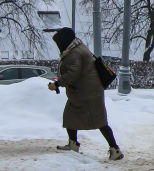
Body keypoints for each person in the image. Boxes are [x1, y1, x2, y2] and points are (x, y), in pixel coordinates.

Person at [48, 27, 123, 160]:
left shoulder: (74, 53)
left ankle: (114, 149)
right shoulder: (77, 48)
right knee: (72, 116)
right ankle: (73, 144)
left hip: (87, 93)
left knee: (99, 121)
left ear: (64, 41)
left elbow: (72, 74)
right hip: (85, 92)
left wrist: (57, 84)